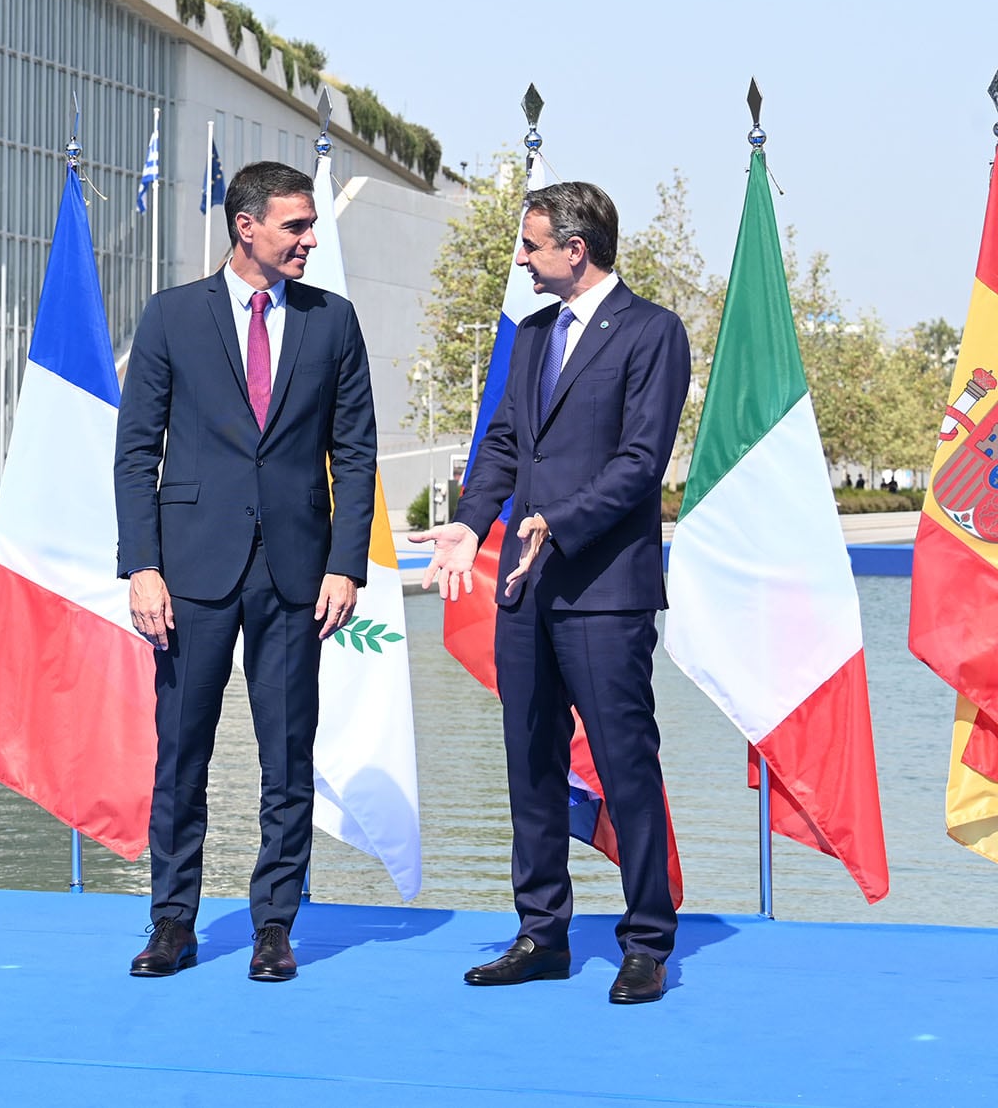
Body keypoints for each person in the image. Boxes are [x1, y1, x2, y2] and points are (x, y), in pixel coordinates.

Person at [414, 180, 689, 1006]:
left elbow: (642, 463)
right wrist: (471, 523)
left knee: (623, 765)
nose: (522, 260)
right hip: (524, 593)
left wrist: (555, 523)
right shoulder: (531, 336)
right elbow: (502, 443)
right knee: (530, 764)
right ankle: (542, 932)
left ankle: (647, 940)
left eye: (532, 246)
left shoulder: (652, 332)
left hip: (605, 591)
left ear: (577, 249)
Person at [113, 160, 378, 983]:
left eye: (311, 226)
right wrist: (142, 567)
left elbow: (357, 455)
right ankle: (172, 924)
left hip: (298, 576)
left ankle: (273, 927)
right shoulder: (170, 316)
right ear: (247, 227)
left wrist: (347, 566)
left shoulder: (333, 321)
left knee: (287, 757)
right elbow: (135, 453)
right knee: (180, 755)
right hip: (190, 574)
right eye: (296, 226)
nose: (309, 239)